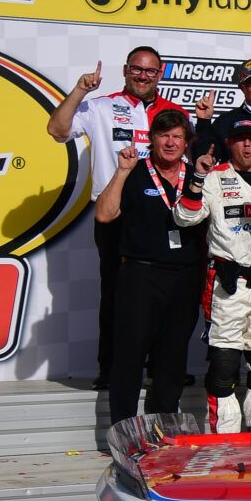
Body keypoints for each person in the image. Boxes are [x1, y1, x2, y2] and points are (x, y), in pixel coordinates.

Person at [46, 46, 184, 388]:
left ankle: (160, 367)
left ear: (161, 73)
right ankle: (111, 369)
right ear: (126, 69)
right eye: (137, 69)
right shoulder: (102, 106)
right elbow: (56, 130)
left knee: (163, 293)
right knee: (117, 293)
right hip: (115, 215)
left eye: (150, 71)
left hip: (162, 214)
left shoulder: (175, 114)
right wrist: (80, 90)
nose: (143, 76)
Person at [92, 109, 204, 424]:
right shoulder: (134, 172)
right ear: (151, 139)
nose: (170, 142)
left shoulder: (198, 176)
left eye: (177, 137)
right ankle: (122, 432)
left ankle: (161, 434)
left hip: (183, 278)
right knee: (129, 356)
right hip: (140, 276)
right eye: (164, 135)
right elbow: (104, 215)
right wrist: (121, 172)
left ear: (187, 142)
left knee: (172, 360)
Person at [174, 117, 251, 432]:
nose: (246, 145)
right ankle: (224, 439)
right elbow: (184, 217)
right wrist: (196, 177)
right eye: (239, 139)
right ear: (229, 143)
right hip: (227, 285)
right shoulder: (213, 178)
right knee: (224, 364)